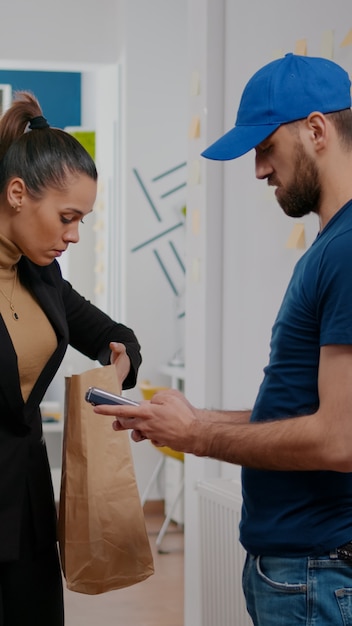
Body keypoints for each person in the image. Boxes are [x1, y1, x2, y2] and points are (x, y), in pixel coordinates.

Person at [94, 53, 352, 625]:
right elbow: (303, 408)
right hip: (302, 568)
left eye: (265, 147)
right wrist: (200, 418)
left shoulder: (346, 250)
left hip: (314, 570)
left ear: (316, 130)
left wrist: (201, 438)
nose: (259, 170)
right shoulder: (332, 245)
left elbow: (339, 439)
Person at [0, 91, 142, 626]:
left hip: (29, 516)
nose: (74, 235)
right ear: (17, 193)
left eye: (81, 219)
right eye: (66, 217)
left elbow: (115, 335)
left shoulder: (44, 275)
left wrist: (120, 366)